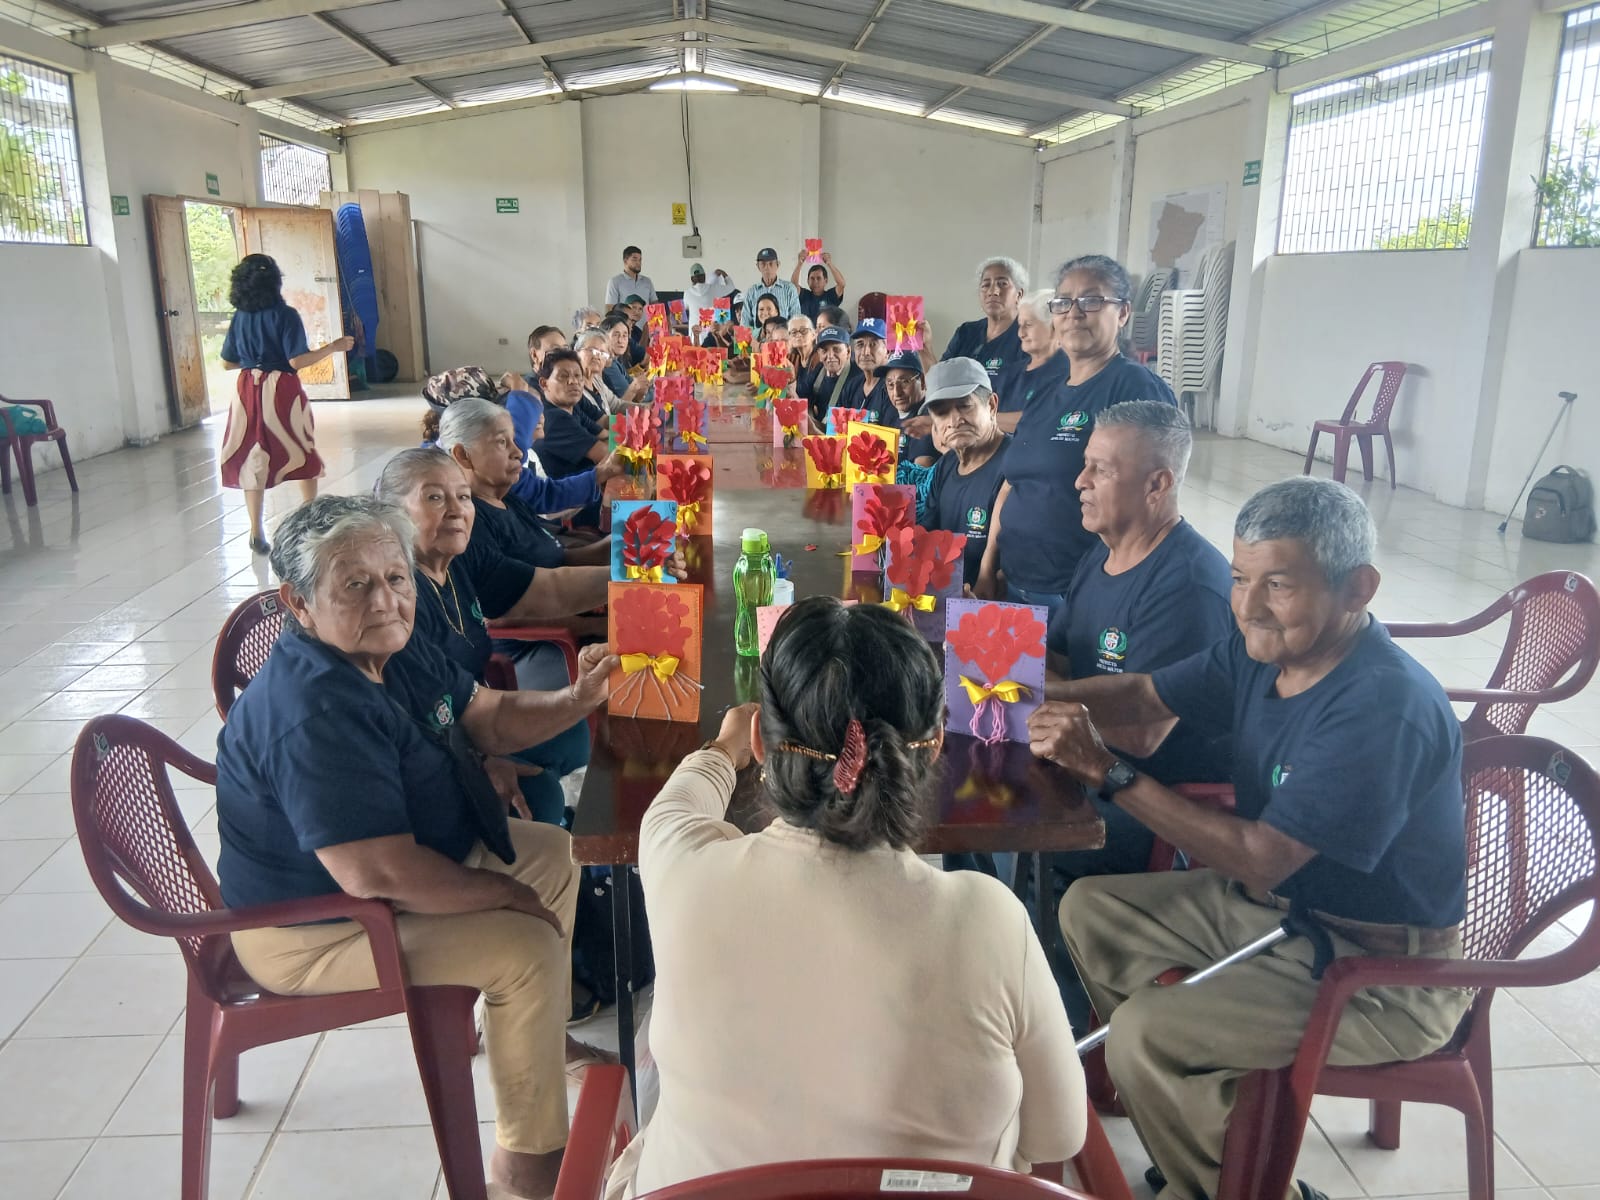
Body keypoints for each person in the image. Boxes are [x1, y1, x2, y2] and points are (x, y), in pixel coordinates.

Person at [1032, 477, 1471, 1200]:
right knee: (1092, 909)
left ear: (1357, 588)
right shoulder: (1262, 652)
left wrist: (1109, 771)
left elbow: (1263, 858)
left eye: (1279, 584)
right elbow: (1143, 696)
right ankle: (1196, 1120)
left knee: (1148, 1033)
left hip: (1381, 974)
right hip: (1288, 915)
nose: (1248, 606)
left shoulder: (1381, 707)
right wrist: (1022, 693)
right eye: (1240, 578)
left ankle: (1244, 1182)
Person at [604, 598, 1087, 1198]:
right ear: (936, 743)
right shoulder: (989, 921)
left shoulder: (685, 871)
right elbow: (1059, 1134)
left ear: (761, 742)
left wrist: (723, 748)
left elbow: (674, 808)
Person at [217, 494, 618, 1200]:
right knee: (526, 945)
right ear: (298, 603)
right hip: (316, 929)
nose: (386, 600)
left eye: (396, 578)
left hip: (402, 863)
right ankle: (525, 1171)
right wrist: (505, 894)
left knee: (555, 855)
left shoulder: (389, 650)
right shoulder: (314, 709)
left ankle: (537, 1039)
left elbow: (485, 715)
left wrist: (576, 700)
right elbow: (379, 872)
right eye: (355, 584)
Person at [1037, 401, 1233, 1028]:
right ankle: (1015, 985)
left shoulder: (1189, 586)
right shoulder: (1101, 555)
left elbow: (1143, 733)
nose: (1080, 480)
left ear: (1157, 484)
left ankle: (1069, 1025)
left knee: (1020, 838)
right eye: (1085, 464)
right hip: (1082, 760)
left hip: (1153, 800)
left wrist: (1027, 692)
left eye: (1101, 469)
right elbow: (1057, 657)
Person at [377, 448, 610, 825]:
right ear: (392, 513)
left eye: (463, 496)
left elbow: (549, 589)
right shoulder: (396, 602)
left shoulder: (460, 558)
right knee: (539, 796)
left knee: (572, 736)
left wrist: (630, 575)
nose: (456, 510)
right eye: (434, 497)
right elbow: (411, 726)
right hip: (431, 750)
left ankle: (551, 823)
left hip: (472, 709)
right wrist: (479, 761)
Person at [978, 254, 1176, 622]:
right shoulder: (1047, 392)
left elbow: (1152, 503)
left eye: (1092, 300)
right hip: (1015, 583)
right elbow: (1013, 483)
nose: (1074, 312)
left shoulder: (1135, 388)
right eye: (1063, 302)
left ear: (1123, 313)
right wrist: (989, 566)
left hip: (1079, 593)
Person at [218, 253, 353, 555]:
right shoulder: (286, 315)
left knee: (251, 456)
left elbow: (227, 362)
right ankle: (309, 520)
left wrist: (254, 361)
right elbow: (297, 360)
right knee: (299, 449)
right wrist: (333, 347)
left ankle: (255, 530)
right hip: (281, 389)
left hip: (246, 389)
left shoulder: (240, 317)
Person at [921, 358, 1010, 587]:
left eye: (964, 405)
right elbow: (928, 535)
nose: (954, 421)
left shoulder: (1016, 465)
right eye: (941, 412)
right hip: (944, 596)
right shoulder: (946, 464)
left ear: (991, 405)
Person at [940, 256, 1028, 387]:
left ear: (1019, 295)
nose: (993, 291)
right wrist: (925, 349)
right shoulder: (966, 332)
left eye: (1002, 284)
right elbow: (940, 382)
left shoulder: (1028, 336)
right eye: (986, 285)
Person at [994, 289, 1070, 432]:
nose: (1021, 333)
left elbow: (1042, 420)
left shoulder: (1069, 372)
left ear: (1054, 326)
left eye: (1028, 325)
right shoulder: (1010, 372)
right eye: (1019, 325)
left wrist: (985, 419)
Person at [531, 349, 608, 484]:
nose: (573, 381)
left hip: (590, 483)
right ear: (544, 383)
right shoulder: (554, 418)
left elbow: (604, 434)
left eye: (578, 376)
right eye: (563, 376)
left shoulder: (571, 406)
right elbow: (604, 454)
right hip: (573, 493)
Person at [881, 351, 937, 465]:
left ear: (923, 381)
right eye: (891, 385)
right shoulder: (890, 412)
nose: (897, 393)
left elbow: (922, 468)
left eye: (905, 382)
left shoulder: (927, 416)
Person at [798, 325, 859, 425]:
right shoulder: (818, 371)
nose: (830, 356)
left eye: (836, 349)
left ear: (848, 352)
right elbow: (802, 398)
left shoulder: (857, 378)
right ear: (819, 354)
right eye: (824, 351)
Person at [835, 317, 889, 421]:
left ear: (887, 350)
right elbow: (836, 426)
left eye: (873, 344)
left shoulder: (892, 388)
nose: (865, 352)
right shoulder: (852, 385)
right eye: (860, 344)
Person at [740, 246, 801, 324]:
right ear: (758, 266)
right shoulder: (752, 291)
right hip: (758, 332)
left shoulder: (789, 289)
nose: (767, 267)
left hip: (783, 331)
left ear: (778, 265)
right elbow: (745, 322)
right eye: (763, 264)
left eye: (771, 263)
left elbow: (796, 320)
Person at [600, 315, 650, 406]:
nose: (621, 340)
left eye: (624, 336)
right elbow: (624, 403)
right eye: (616, 335)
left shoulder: (615, 361)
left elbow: (636, 396)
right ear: (603, 337)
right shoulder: (608, 365)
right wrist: (635, 387)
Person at [790, 248, 846, 320]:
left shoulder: (830, 296)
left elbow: (841, 284)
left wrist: (829, 263)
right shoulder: (804, 295)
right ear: (808, 281)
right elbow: (793, 285)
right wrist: (800, 263)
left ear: (826, 281)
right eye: (812, 278)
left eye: (819, 278)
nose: (815, 281)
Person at [523, 324, 567, 392]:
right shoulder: (527, 390)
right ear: (534, 355)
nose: (564, 355)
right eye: (556, 350)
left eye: (565, 349)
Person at [786, 313, 821, 397]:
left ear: (814, 335)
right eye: (794, 332)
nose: (798, 335)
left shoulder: (820, 359)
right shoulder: (790, 358)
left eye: (803, 330)